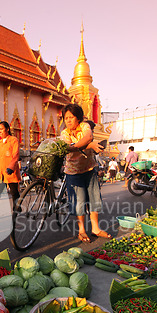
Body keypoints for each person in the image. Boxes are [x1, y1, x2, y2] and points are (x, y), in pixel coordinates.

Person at [60, 103, 111, 243]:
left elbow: (88, 137)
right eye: (66, 118)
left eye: (71, 117)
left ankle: (95, 228)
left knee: (95, 199)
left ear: (78, 118)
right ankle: (81, 231)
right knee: (79, 203)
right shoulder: (64, 133)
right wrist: (89, 145)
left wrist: (82, 144)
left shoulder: (85, 126)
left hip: (89, 169)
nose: (68, 120)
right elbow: (68, 148)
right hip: (73, 172)